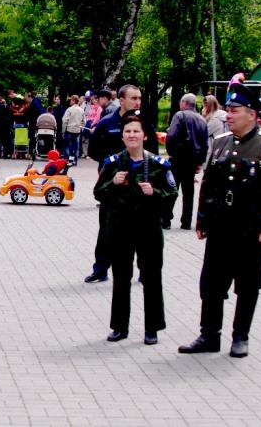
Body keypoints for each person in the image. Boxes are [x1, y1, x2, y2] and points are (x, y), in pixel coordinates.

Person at [178, 83, 261, 358]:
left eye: (235, 110)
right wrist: (202, 219)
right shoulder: (222, 141)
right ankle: (209, 335)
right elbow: (210, 183)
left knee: (247, 285)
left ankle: (241, 337)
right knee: (211, 283)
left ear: (252, 114)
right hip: (222, 225)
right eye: (228, 110)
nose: (229, 115)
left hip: (251, 228)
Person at [94, 115, 178, 345]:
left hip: (148, 228)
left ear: (145, 136)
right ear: (122, 136)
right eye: (128, 131)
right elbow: (98, 193)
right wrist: (113, 183)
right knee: (121, 278)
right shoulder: (112, 163)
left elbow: (172, 194)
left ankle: (152, 328)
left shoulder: (159, 165)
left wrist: (154, 192)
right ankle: (119, 327)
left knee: (151, 278)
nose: (132, 135)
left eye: (136, 132)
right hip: (121, 228)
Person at [85, 84, 159, 284]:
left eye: (139, 98)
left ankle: (144, 271)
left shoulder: (144, 124)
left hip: (137, 185)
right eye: (134, 98)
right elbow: (93, 148)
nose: (137, 102)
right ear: (122, 99)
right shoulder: (108, 122)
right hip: (113, 185)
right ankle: (101, 269)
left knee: (141, 230)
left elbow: (153, 151)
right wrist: (107, 165)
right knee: (106, 228)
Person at [164, 93, 209, 230]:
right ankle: (186, 221)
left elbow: (171, 136)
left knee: (171, 189)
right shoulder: (202, 120)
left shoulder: (180, 115)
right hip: (192, 160)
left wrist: (171, 152)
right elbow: (205, 144)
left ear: (184, 103)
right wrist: (199, 162)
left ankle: (166, 219)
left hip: (178, 158)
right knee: (189, 192)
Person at [202, 95, 228, 160]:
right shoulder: (218, 115)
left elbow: (203, 133)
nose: (204, 107)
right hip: (217, 147)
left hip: (213, 149)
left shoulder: (214, 119)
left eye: (206, 105)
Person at [62, 95, 84, 165]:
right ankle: (75, 161)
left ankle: (67, 160)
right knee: (76, 147)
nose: (70, 101)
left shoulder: (69, 109)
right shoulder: (81, 110)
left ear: (74, 100)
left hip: (69, 130)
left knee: (67, 146)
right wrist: (81, 128)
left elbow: (64, 120)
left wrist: (63, 130)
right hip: (77, 131)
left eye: (71, 100)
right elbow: (84, 121)